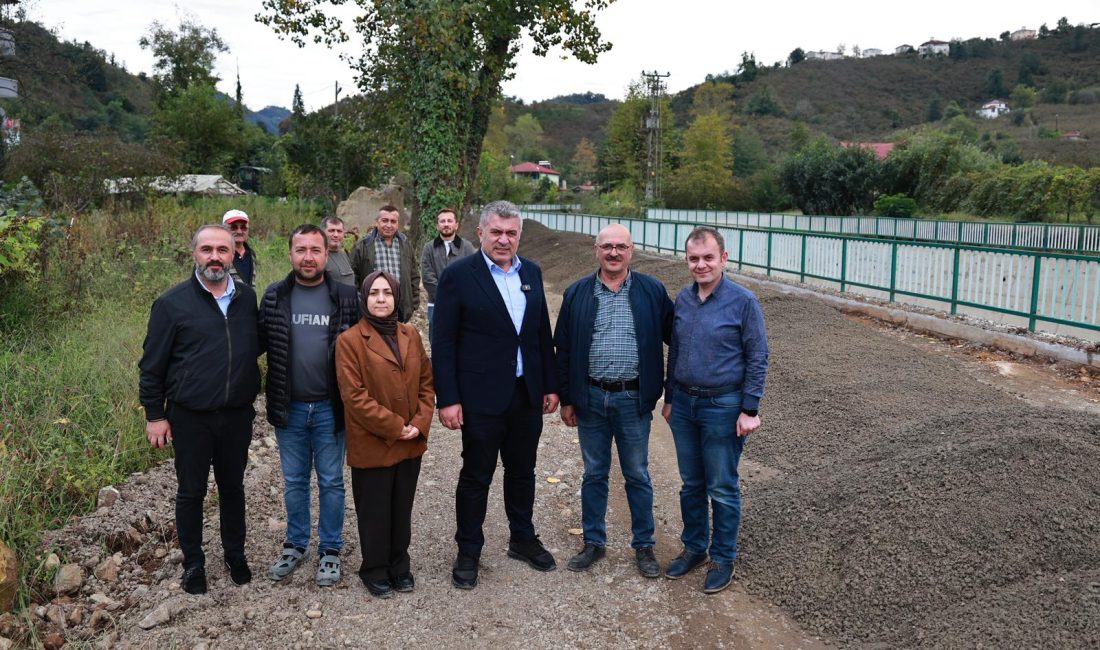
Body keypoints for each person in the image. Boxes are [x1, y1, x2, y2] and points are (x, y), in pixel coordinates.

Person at [433, 200, 560, 590]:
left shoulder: (532, 273)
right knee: (476, 475)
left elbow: (540, 336)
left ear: (519, 235)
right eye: (497, 232)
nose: (504, 240)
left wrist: (550, 384)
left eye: (511, 233)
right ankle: (469, 549)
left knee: (523, 472)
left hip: (525, 395)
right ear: (481, 234)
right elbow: (444, 341)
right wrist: (448, 397)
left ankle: (522, 537)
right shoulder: (458, 276)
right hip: (480, 397)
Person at [138, 224, 261, 595]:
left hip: (236, 415)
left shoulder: (246, 298)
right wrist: (155, 415)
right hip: (189, 416)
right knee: (191, 492)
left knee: (233, 488)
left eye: (222, 250)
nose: (214, 257)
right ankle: (193, 563)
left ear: (232, 253)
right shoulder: (171, 304)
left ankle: (234, 554)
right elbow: (151, 365)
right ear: (194, 254)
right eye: (207, 249)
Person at [554, 224, 673, 578]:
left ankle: (644, 546)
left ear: (631, 251)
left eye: (620, 247)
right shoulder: (577, 294)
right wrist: (566, 398)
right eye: (607, 247)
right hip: (590, 397)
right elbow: (562, 350)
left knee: (637, 473)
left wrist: (675, 390)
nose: (614, 253)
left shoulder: (651, 291)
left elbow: (678, 338)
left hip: (633, 399)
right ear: (596, 250)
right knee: (594, 473)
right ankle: (593, 542)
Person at [662, 226, 769, 595]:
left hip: (723, 406)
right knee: (691, 484)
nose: (701, 264)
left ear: (723, 258)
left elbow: (758, 356)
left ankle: (723, 557)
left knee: (722, 486)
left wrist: (749, 408)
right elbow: (674, 350)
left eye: (708, 257)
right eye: (694, 258)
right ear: (687, 260)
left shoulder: (743, 301)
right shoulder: (684, 299)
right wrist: (670, 397)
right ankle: (695, 547)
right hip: (685, 404)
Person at [258, 224, 360, 586]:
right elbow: (251, 345)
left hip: (331, 407)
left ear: (326, 253)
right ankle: (295, 544)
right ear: (290, 254)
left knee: (332, 481)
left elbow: (366, 347)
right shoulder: (274, 297)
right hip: (290, 407)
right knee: (294, 481)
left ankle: (330, 549)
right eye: (300, 250)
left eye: (315, 250)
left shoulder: (347, 297)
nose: (308, 257)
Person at [336, 271, 435, 599]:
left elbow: (426, 383)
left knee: (401, 507)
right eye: (374, 293)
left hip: (410, 442)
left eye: (387, 293)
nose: (381, 298)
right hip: (374, 442)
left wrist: (419, 424)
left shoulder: (411, 335)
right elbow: (355, 397)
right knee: (374, 509)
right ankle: (374, 568)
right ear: (364, 298)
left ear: (397, 297)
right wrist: (396, 427)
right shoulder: (350, 340)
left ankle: (399, 565)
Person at [350, 205, 421, 322]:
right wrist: (360, 302)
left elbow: (414, 275)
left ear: (398, 224)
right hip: (373, 308)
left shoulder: (406, 244)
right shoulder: (363, 245)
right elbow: (353, 277)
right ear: (376, 222)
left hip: (400, 309)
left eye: (393, 221)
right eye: (384, 221)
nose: (389, 225)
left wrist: (413, 303)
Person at [420, 207, 477, 343]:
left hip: (463, 304)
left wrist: (459, 297)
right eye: (442, 221)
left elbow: (473, 274)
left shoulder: (467, 247)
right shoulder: (429, 248)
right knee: (438, 340)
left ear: (456, 225)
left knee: (462, 339)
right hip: (436, 304)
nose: (446, 224)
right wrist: (444, 296)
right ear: (437, 225)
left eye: (450, 221)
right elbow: (427, 276)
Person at [223, 209, 258, 287]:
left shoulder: (251, 254)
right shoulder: (218, 255)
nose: (239, 231)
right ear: (223, 229)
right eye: (234, 227)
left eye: (243, 227)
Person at [322, 216, 356, 286]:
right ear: (322, 233)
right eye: (331, 231)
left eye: (339, 231)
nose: (336, 235)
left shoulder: (345, 255)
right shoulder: (318, 256)